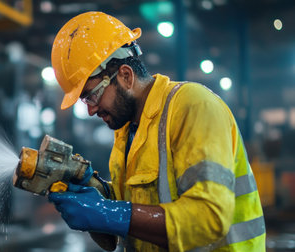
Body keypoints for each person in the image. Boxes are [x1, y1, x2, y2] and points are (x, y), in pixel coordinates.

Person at [47, 11, 266, 251]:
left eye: (92, 95)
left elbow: (209, 218)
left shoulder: (193, 106)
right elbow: (127, 223)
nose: (90, 110)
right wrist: (96, 191)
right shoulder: (127, 131)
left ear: (125, 76)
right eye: (84, 101)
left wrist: (108, 213)